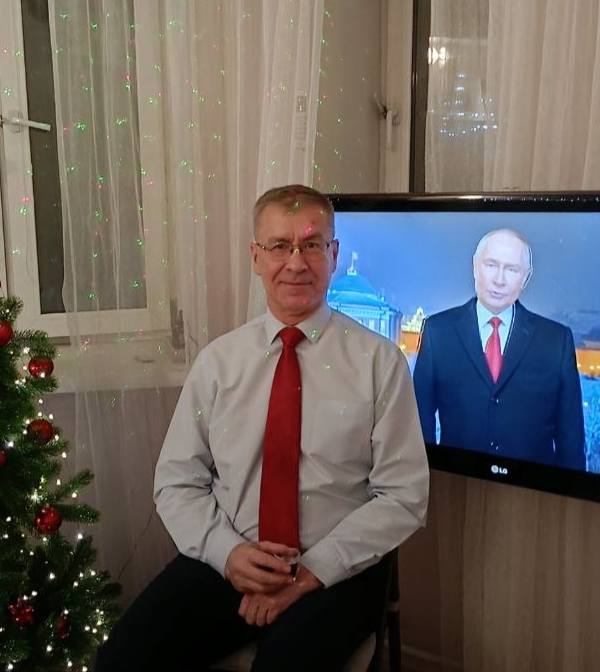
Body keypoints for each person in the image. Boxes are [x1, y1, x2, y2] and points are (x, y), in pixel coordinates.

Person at [96, 185, 430, 672]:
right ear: (256, 257)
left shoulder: (380, 363)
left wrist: (310, 573)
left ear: (334, 254)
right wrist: (228, 554)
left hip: (336, 569)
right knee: (121, 659)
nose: (295, 263)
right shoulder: (218, 363)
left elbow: (403, 495)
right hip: (232, 557)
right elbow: (176, 481)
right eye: (279, 246)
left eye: (311, 245)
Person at [413, 228, 586, 469]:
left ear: (525, 278)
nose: (499, 280)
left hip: (531, 488)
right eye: (491, 265)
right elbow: (419, 424)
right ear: (475, 266)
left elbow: (571, 440)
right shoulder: (438, 332)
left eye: (512, 269)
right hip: (457, 483)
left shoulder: (556, 342)